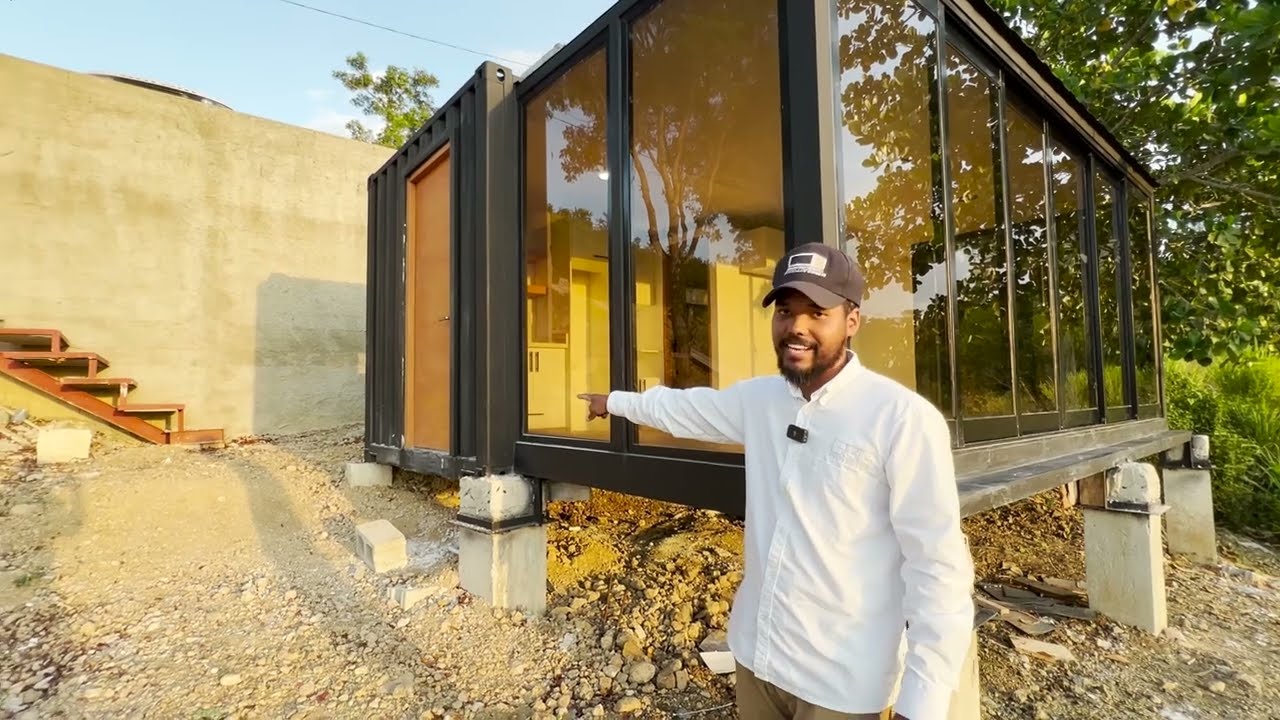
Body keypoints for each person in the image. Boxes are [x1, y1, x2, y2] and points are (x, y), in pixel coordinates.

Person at [577, 243, 975, 720]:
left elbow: (937, 567)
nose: (797, 327)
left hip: (841, 685)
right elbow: (684, 410)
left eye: (817, 313)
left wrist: (924, 703)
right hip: (757, 660)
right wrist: (615, 402)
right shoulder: (762, 401)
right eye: (786, 311)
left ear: (852, 321)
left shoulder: (901, 420)